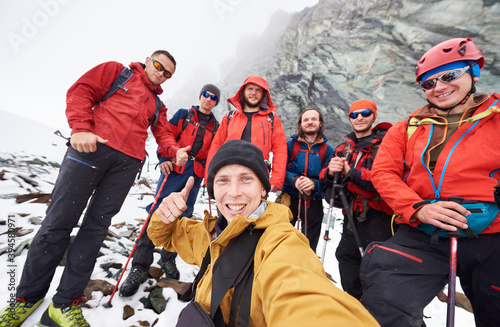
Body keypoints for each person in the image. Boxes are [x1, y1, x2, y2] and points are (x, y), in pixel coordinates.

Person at [0, 50, 187, 327]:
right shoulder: (117, 72)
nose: (162, 73)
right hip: (89, 150)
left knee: (96, 229)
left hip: (125, 167)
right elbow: (81, 91)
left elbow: (163, 134)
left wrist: (174, 151)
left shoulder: (157, 105)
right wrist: (80, 128)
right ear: (148, 60)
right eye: (159, 66)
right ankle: (26, 298)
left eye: (168, 73)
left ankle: (64, 304)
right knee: (57, 223)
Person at [147, 139, 380, 326]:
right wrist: (163, 214)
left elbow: (301, 293)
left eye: (246, 179)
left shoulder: (280, 240)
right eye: (223, 181)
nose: (234, 192)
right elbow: (163, 236)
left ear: (263, 188)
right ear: (212, 189)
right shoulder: (210, 233)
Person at [360, 37, 500, 326]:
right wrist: (419, 207)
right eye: (428, 83)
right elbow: (383, 173)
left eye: (449, 76)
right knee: (384, 302)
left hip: (493, 233)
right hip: (423, 230)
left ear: (473, 73)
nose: (439, 87)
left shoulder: (496, 119)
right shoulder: (405, 129)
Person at [119, 84, 220, 297]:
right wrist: (164, 158)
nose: (208, 99)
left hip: (196, 173)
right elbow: (167, 136)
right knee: (158, 211)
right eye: (205, 94)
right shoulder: (184, 115)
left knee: (182, 215)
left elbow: (214, 153)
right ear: (200, 95)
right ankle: (139, 266)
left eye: (213, 97)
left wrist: (211, 176)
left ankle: (168, 258)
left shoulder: (216, 126)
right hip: (175, 169)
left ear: (216, 102)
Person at [319, 99, 393, 300]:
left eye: (365, 113)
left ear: (373, 116)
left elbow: (383, 181)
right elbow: (325, 175)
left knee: (379, 272)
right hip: (352, 218)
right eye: (354, 114)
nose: (359, 118)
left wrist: (350, 172)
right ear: (349, 119)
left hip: (380, 220)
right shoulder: (345, 146)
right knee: (347, 260)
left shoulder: (386, 145)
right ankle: (357, 309)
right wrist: (329, 172)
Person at [205, 75, 287, 192]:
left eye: (258, 90)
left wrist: (276, 179)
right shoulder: (229, 117)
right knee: (228, 209)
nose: (254, 93)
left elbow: (280, 149)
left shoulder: (272, 118)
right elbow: (216, 146)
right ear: (243, 92)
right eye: (250, 89)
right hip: (228, 173)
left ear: (264, 94)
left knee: (257, 210)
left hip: (258, 176)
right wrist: (209, 176)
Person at [281, 108, 334, 252]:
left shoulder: (328, 150)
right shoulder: (289, 145)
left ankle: (307, 267)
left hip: (314, 200)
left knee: (310, 242)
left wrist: (314, 184)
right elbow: (279, 170)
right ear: (300, 125)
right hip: (289, 197)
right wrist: (294, 180)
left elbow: (329, 177)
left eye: (314, 119)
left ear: (320, 123)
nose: (310, 122)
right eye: (306, 120)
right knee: (281, 236)